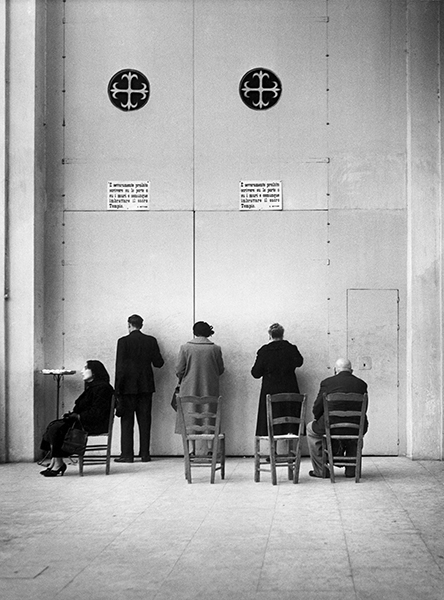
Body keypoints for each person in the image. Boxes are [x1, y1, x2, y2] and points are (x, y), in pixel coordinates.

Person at [40, 360, 114, 477]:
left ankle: (58, 464)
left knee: (58, 428)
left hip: (94, 424)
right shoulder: (94, 387)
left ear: (94, 372)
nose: (82, 371)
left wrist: (78, 416)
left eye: (85, 368)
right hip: (86, 421)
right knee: (54, 425)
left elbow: (98, 413)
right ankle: (56, 461)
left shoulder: (103, 388)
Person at [114, 314, 164, 463]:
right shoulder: (151, 341)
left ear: (129, 325)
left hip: (127, 387)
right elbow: (158, 363)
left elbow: (120, 367)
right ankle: (145, 454)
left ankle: (127, 455)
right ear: (141, 325)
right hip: (145, 386)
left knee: (127, 421)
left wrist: (117, 390)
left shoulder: (123, 342)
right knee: (145, 420)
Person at [307, 357, 368, 479]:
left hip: (331, 425)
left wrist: (318, 419)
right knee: (355, 434)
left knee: (310, 430)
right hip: (355, 426)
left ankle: (321, 470)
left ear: (335, 370)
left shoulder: (327, 383)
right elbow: (364, 408)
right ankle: (351, 470)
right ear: (352, 370)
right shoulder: (361, 384)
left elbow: (317, 407)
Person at [251, 323, 304, 437]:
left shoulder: (264, 351)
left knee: (270, 420)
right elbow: (299, 362)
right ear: (282, 334)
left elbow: (255, 373)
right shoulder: (291, 348)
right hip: (289, 389)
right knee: (290, 421)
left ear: (269, 335)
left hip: (270, 390)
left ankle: (272, 451)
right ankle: (291, 449)